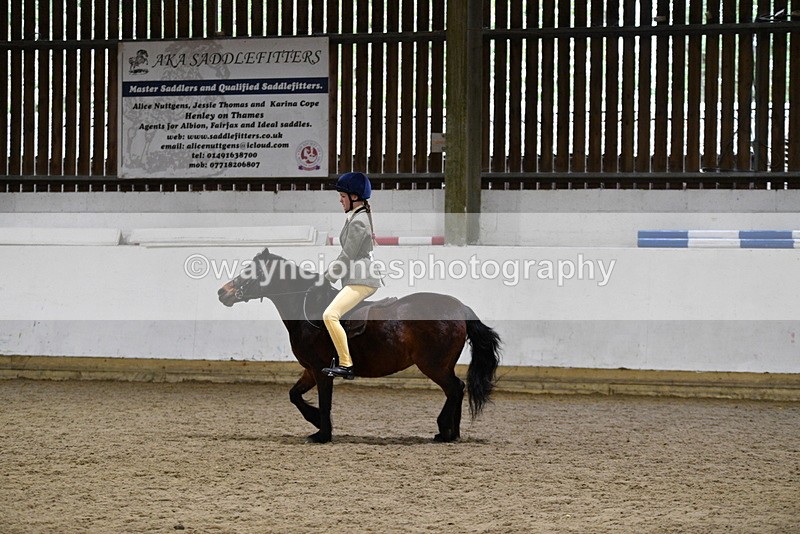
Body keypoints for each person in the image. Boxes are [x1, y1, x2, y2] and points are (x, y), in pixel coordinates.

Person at [321, 172, 383, 379]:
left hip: (361, 278)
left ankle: (346, 364)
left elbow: (347, 255)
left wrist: (327, 278)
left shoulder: (358, 221)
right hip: (356, 277)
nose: (340, 200)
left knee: (330, 315)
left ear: (354, 197)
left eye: (342, 196)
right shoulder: (357, 217)